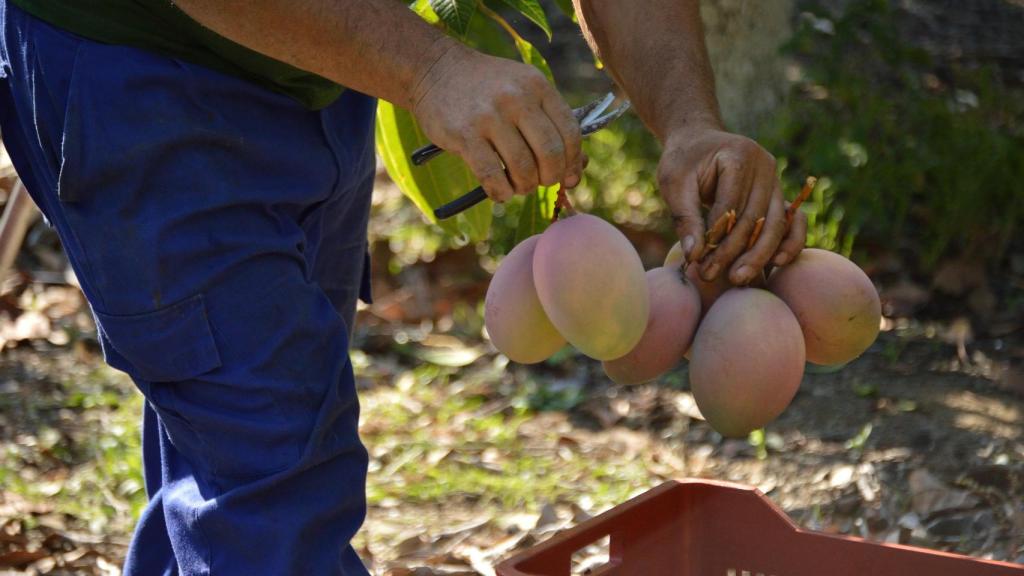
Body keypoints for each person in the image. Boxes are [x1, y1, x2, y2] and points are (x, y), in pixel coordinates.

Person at [0, 0, 807, 574]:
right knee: (273, 474)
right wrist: (429, 68)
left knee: (239, 446)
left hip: (322, 58)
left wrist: (689, 121)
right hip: (137, 64)